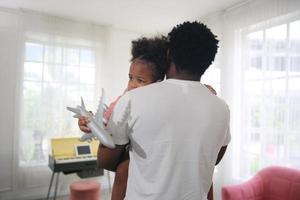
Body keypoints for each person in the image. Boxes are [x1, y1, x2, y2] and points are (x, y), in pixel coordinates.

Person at [96, 21, 231, 200]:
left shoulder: (132, 99)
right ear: (207, 62)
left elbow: (105, 161)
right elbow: (213, 159)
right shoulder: (222, 108)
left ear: (169, 53)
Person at [79, 36, 169, 200]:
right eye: (130, 77)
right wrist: (89, 123)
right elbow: (105, 119)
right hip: (129, 150)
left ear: (157, 82)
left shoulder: (164, 97)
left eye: (140, 80)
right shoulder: (125, 98)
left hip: (155, 154)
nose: (132, 84)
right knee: (123, 172)